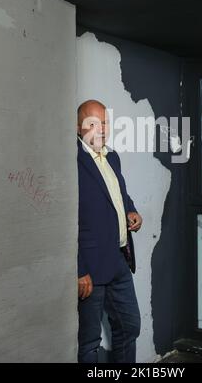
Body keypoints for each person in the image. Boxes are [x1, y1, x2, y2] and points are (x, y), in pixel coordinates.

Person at [77, 99, 142, 363]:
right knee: (90, 342)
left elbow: (119, 195)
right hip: (90, 267)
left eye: (104, 122)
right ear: (78, 127)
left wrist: (131, 211)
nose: (101, 129)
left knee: (130, 327)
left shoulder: (111, 156)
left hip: (119, 259)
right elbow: (67, 223)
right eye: (93, 123)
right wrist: (79, 270)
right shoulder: (72, 161)